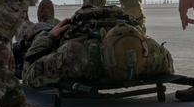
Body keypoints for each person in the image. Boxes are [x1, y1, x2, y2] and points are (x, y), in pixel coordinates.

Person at [17, 5, 173, 90]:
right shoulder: (152, 55)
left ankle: (28, 22)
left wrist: (48, 37)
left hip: (66, 41)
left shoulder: (76, 56)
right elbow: (169, 65)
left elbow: (28, 74)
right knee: (54, 26)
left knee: (34, 30)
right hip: (81, 33)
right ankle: (47, 21)